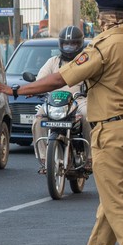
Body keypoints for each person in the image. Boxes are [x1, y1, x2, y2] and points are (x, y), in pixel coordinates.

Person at [0, 0, 123, 245]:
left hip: (110, 130)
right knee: (110, 200)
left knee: (118, 202)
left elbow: (59, 79)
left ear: (105, 18)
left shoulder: (102, 48)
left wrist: (15, 92)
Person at [31, 25, 90, 174]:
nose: (69, 47)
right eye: (66, 44)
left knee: (89, 116)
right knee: (38, 119)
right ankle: (45, 160)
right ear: (61, 44)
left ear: (80, 44)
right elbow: (41, 81)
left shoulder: (86, 61)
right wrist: (35, 89)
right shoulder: (52, 62)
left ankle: (90, 158)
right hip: (54, 102)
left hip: (79, 100)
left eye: (73, 44)